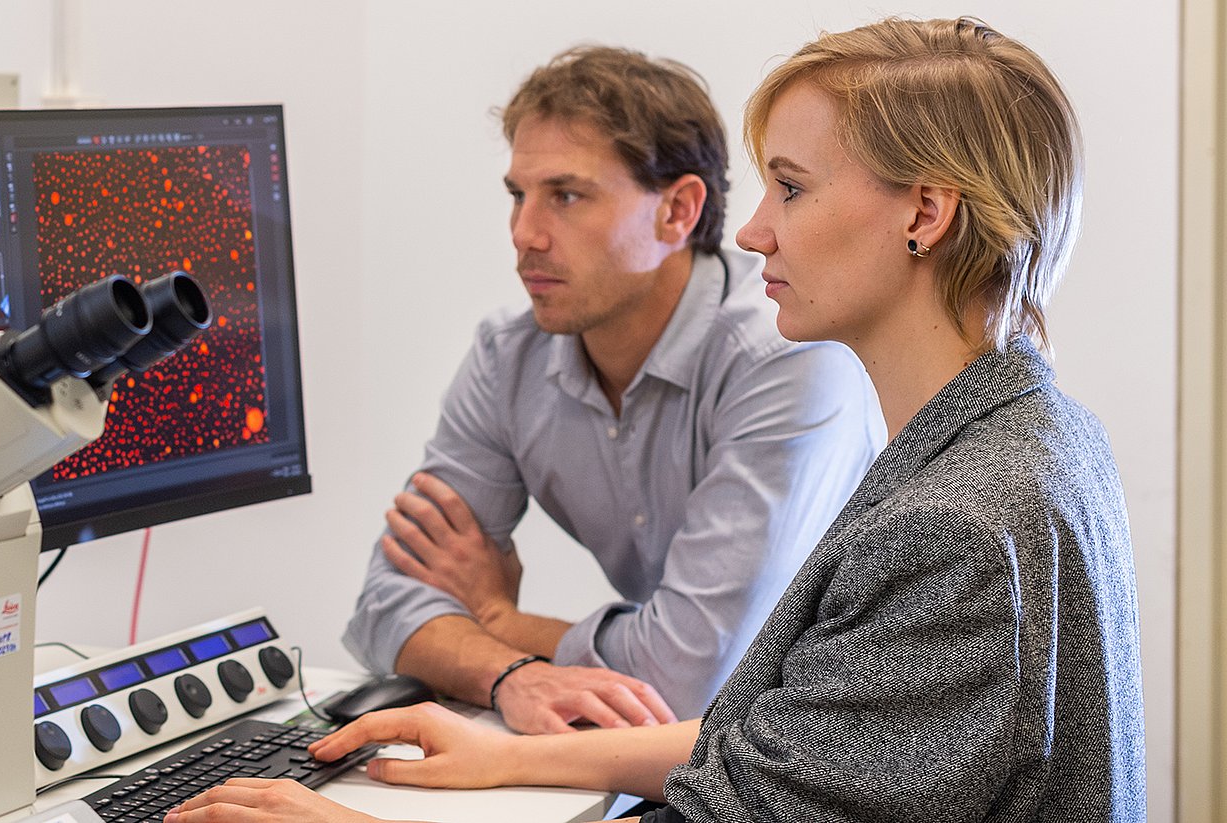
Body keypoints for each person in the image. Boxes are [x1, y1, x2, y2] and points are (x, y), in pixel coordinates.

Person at [171, 16, 1145, 823]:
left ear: (924, 215)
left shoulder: (954, 529)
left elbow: (733, 760)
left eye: (792, 188)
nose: (754, 230)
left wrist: (489, 635)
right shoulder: (1031, 434)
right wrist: (506, 748)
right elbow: (784, 744)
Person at [342, 45, 882, 732]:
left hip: (834, 745)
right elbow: (384, 604)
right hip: (687, 754)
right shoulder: (508, 358)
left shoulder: (787, 359)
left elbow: (690, 678)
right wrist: (510, 673)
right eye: (518, 195)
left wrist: (499, 619)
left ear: (678, 211)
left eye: (566, 196)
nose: (524, 234)